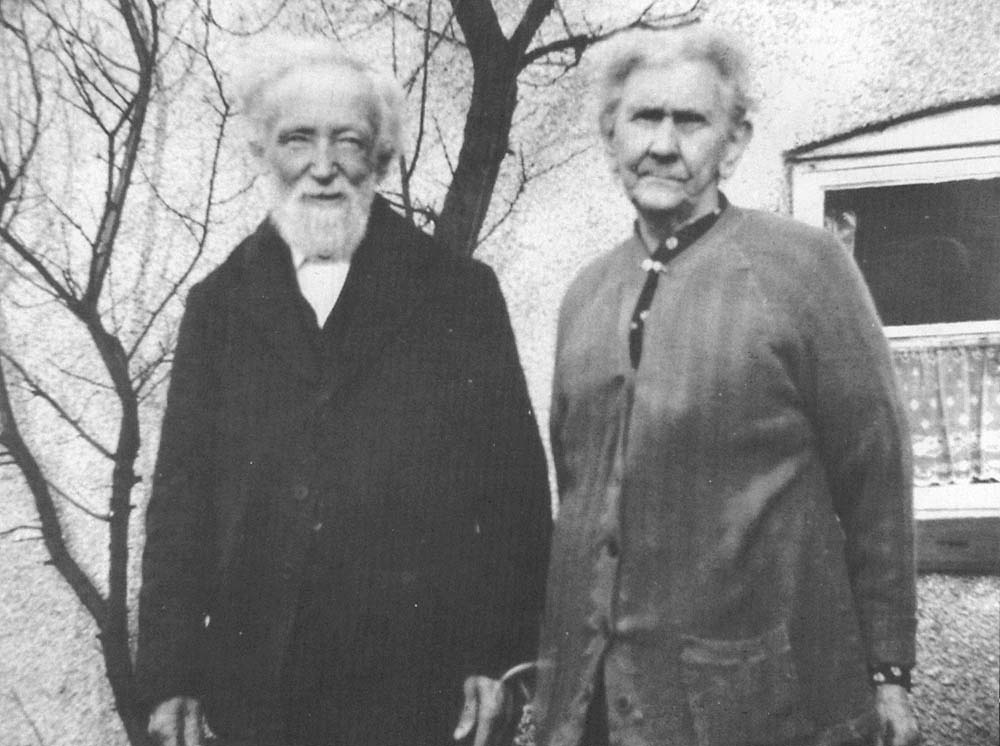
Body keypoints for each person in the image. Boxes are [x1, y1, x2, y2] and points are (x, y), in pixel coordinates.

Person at [135, 37, 552, 746]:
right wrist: (172, 673)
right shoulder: (220, 306)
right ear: (263, 153)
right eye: (298, 139)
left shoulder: (457, 295)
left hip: (422, 690)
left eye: (348, 142)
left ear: (381, 158)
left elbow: (514, 496)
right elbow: (182, 502)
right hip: (254, 691)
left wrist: (499, 658)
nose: (323, 167)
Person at [532, 24, 920, 746]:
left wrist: (888, 672)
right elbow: (581, 494)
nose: (663, 144)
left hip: (751, 702)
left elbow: (876, 475)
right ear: (609, 134)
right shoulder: (585, 294)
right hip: (595, 705)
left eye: (691, 121)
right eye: (644, 118)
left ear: (734, 142)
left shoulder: (804, 268)